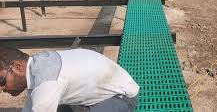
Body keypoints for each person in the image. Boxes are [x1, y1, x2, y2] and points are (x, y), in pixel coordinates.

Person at [0, 46, 139, 112]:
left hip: (121, 97)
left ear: (17, 66)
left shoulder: (47, 80)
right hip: (98, 93)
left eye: (1, 81)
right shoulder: (37, 67)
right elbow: (31, 107)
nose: (2, 88)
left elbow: (40, 105)